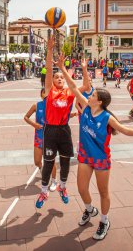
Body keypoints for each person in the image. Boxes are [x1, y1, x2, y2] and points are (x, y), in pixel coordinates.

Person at [58, 60, 133, 241]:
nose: (89, 96)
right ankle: (90, 210)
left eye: (93, 95)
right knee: (82, 189)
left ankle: (104, 221)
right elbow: (74, 87)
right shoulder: (86, 108)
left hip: (101, 159)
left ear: (99, 101)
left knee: (103, 191)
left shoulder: (107, 118)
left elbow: (125, 130)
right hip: (85, 157)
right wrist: (62, 68)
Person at [35, 36, 89, 209]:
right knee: (49, 161)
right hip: (50, 130)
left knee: (65, 161)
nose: (59, 79)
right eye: (57, 77)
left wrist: (85, 69)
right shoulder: (50, 91)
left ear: (65, 80)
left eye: (61, 77)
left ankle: (62, 187)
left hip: (64, 131)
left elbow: (86, 86)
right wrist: (49, 50)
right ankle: (44, 191)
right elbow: (49, 70)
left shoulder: (70, 92)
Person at [24, 88, 58, 192]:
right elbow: (26, 117)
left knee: (51, 161)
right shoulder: (36, 105)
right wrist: (33, 124)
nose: (46, 94)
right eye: (44, 92)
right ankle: (42, 169)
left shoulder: (55, 106)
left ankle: (53, 180)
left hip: (50, 137)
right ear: (41, 94)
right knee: (37, 161)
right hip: (39, 137)